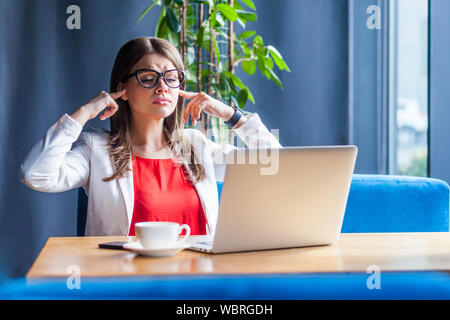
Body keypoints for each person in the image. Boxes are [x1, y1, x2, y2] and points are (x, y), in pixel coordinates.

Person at [19, 36, 282, 237]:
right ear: (123, 89)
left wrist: (230, 114)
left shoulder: (196, 146)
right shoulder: (95, 149)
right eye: (148, 78)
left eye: (171, 78)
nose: (161, 87)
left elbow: (275, 165)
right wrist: (85, 112)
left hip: (198, 285)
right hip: (124, 286)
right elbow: (36, 175)